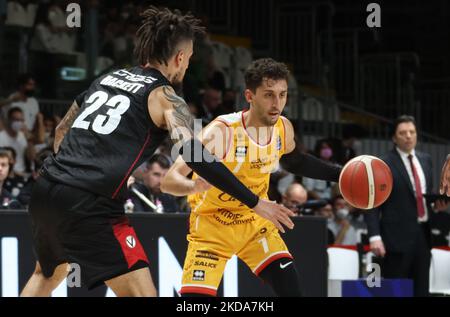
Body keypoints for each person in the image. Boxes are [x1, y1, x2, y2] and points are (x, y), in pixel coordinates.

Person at [21, 7, 294, 297]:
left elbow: (63, 130)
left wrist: (77, 172)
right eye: (188, 59)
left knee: (47, 274)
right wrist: (254, 202)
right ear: (179, 58)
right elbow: (196, 158)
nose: (187, 65)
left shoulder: (108, 78)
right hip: (90, 204)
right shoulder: (165, 98)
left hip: (47, 189)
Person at [161, 58, 342, 296]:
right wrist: (194, 185)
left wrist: (342, 174)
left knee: (291, 290)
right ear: (249, 96)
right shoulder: (221, 131)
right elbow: (168, 181)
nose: (277, 103)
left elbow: (295, 161)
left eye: (283, 94)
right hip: (212, 228)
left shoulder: (283, 127)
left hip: (255, 223)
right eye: (268, 95)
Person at [364, 115, 449, 297]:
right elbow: (372, 202)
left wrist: (436, 207)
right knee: (395, 291)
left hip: (423, 235)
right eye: (403, 133)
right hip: (395, 239)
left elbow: (424, 196)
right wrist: (374, 236)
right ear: (394, 138)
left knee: (421, 290)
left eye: (412, 132)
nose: (408, 136)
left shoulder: (425, 160)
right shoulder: (383, 163)